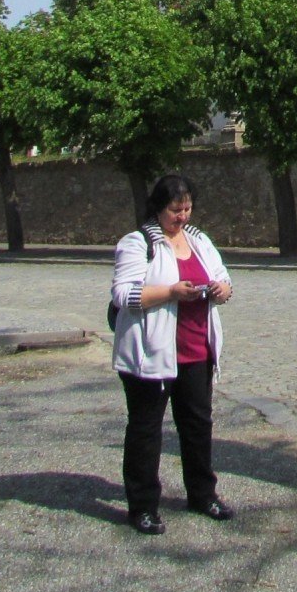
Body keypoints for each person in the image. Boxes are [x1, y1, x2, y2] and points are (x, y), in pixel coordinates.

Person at [110, 173, 235, 532]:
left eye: (187, 209)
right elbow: (124, 295)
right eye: (175, 210)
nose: (182, 217)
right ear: (158, 208)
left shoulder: (199, 241)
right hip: (151, 352)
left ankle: (202, 494)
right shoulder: (138, 243)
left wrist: (220, 289)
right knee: (146, 430)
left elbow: (225, 281)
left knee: (197, 427)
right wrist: (170, 292)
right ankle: (143, 506)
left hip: (197, 349)